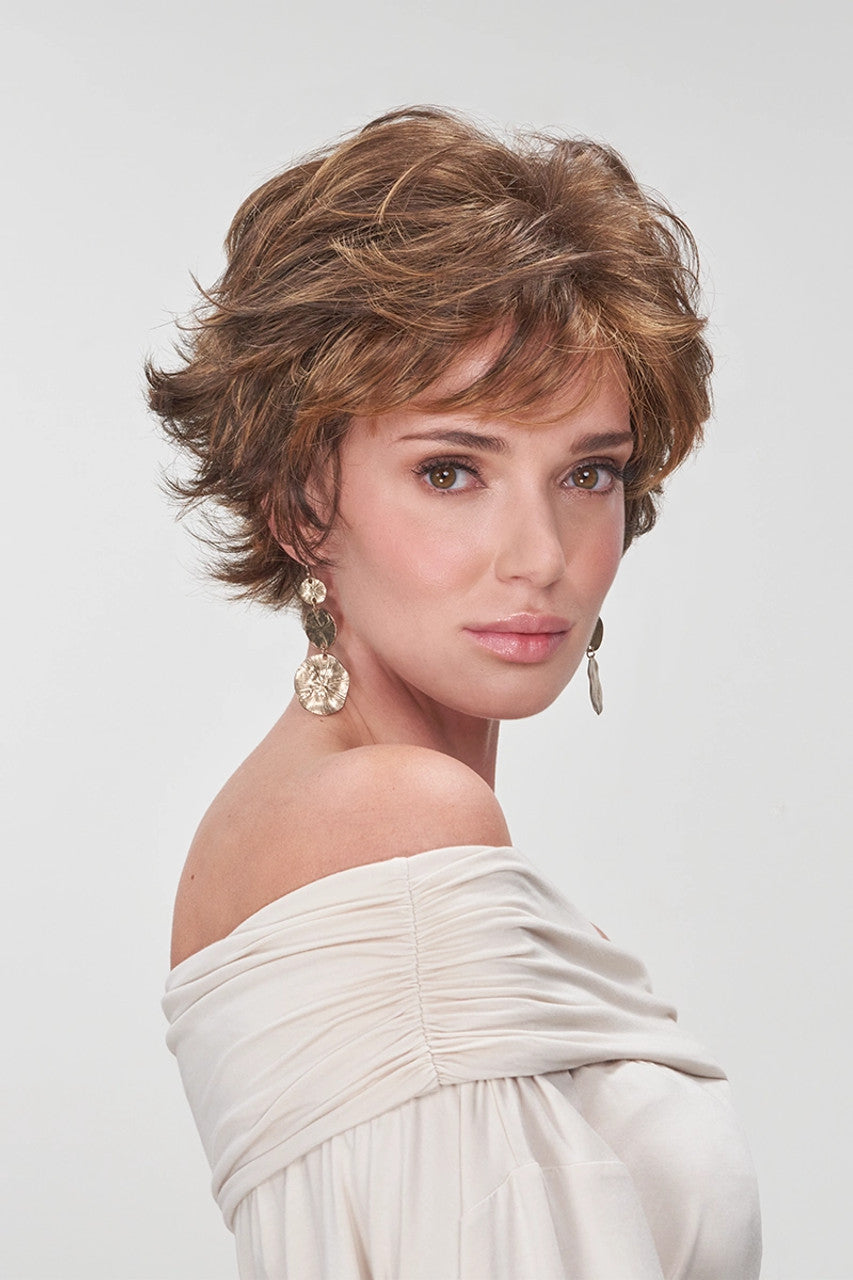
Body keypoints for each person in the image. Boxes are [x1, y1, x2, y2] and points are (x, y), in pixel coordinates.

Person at [153, 106, 762, 1279]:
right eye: (450, 469)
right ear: (300, 503)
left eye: (588, 473)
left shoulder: (311, 811)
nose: (539, 554)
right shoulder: (394, 816)